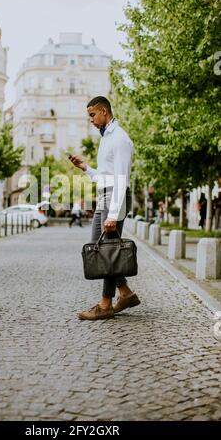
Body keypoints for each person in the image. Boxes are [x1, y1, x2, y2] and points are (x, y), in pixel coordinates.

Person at [69, 96, 140, 320]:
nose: (90, 120)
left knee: (107, 249)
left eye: (92, 115)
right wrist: (86, 168)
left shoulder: (119, 139)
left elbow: (120, 178)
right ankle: (126, 293)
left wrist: (113, 213)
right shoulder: (107, 137)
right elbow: (105, 176)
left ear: (104, 112)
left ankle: (105, 304)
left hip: (114, 197)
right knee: (99, 248)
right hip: (105, 196)